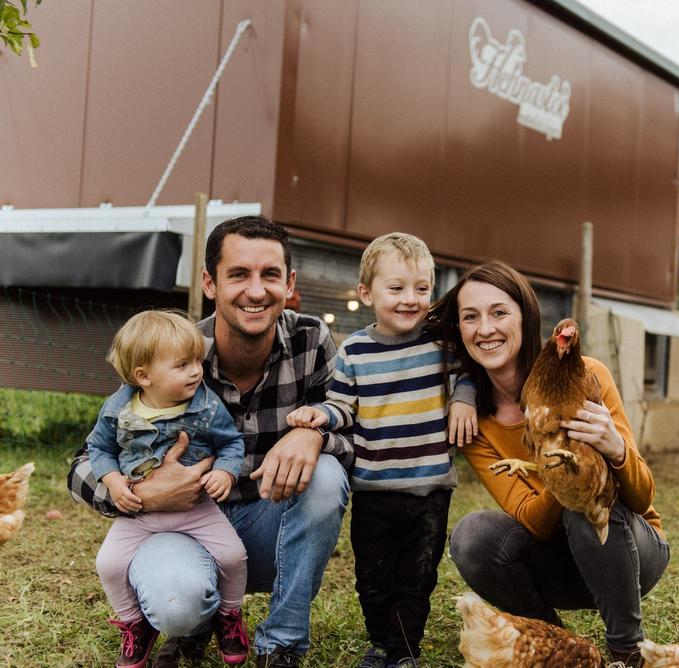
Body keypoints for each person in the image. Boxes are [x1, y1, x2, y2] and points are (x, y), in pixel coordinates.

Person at [68, 216, 354, 668]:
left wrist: (314, 434)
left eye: (270, 275)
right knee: (177, 606)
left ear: (290, 282)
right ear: (209, 282)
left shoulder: (312, 341)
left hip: (268, 524)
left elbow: (353, 434)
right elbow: (84, 460)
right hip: (183, 524)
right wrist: (138, 492)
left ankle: (280, 645)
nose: (256, 291)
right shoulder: (173, 350)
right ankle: (194, 625)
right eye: (238, 274)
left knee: (326, 474)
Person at [429, 261, 670, 668]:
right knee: (472, 535)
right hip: (555, 560)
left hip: (628, 552)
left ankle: (628, 651)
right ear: (460, 330)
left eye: (499, 312)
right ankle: (555, 644)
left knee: (585, 508)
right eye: (470, 317)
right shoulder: (472, 420)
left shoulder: (588, 376)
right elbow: (531, 518)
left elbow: (643, 495)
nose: (485, 328)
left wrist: (615, 450)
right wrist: (566, 474)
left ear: (527, 317)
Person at [287, 232, 477, 668]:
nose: (410, 299)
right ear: (366, 293)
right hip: (373, 490)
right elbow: (342, 407)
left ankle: (403, 652)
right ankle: (379, 641)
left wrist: (464, 398)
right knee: (371, 577)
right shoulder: (354, 351)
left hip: (430, 490)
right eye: (396, 288)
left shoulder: (441, 343)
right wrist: (320, 416)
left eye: (422, 288)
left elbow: (469, 374)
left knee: (417, 578)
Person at [88, 310, 250, 668]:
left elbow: (231, 444)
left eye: (197, 361)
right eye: (182, 365)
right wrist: (114, 481)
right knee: (109, 563)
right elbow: (98, 449)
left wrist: (224, 472)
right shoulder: (117, 411)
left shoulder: (206, 407)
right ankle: (134, 624)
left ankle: (229, 616)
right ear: (143, 376)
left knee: (233, 556)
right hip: (140, 513)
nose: (196, 371)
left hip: (196, 510)